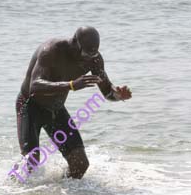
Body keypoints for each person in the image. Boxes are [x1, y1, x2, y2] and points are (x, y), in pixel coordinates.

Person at [15, 26, 132, 180]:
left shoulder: (94, 59)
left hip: (56, 109)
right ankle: (12, 188)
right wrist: (71, 85)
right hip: (30, 106)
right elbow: (34, 86)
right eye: (86, 53)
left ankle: (61, 194)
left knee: (80, 164)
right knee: (31, 160)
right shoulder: (51, 50)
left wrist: (116, 95)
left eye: (93, 54)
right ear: (75, 42)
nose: (88, 58)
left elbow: (107, 91)